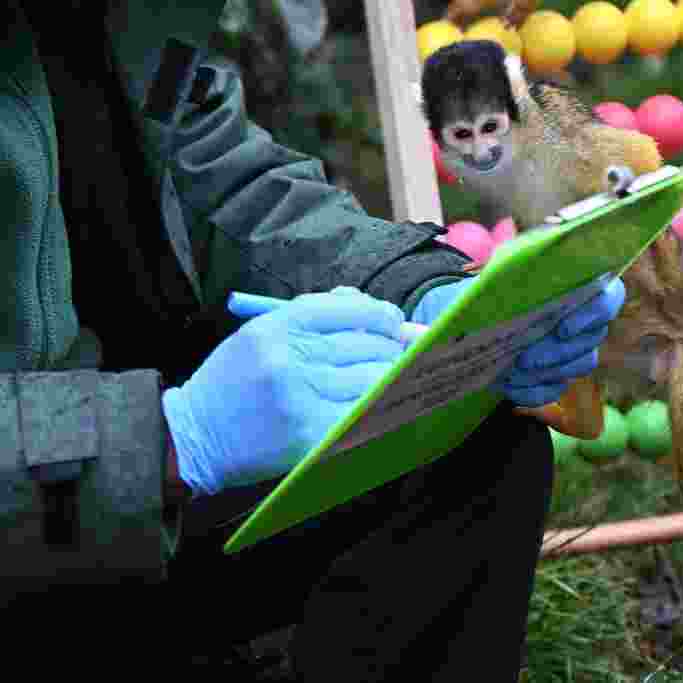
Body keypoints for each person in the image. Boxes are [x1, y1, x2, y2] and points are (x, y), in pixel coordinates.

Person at [0, 1, 625, 680]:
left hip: (135, 496)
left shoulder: (128, 20)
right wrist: (165, 441)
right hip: (42, 524)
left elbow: (231, 182)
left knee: (469, 440)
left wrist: (425, 292)